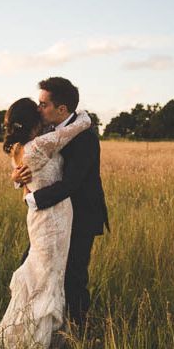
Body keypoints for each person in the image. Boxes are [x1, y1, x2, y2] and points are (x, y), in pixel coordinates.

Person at [0, 98, 92, 349]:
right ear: (34, 121)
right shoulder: (40, 144)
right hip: (52, 216)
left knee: (46, 273)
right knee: (47, 276)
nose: (42, 111)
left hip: (44, 216)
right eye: (39, 109)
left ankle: (45, 336)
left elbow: (26, 181)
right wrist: (84, 116)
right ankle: (36, 342)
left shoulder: (18, 148)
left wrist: (19, 183)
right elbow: (75, 128)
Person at [13, 77, 109, 334]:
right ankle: (37, 326)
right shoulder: (46, 130)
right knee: (31, 267)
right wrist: (17, 179)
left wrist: (31, 200)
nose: (38, 109)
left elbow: (72, 183)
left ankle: (79, 332)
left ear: (62, 109)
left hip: (80, 217)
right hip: (51, 217)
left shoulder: (85, 137)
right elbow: (30, 163)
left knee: (74, 277)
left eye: (43, 104)